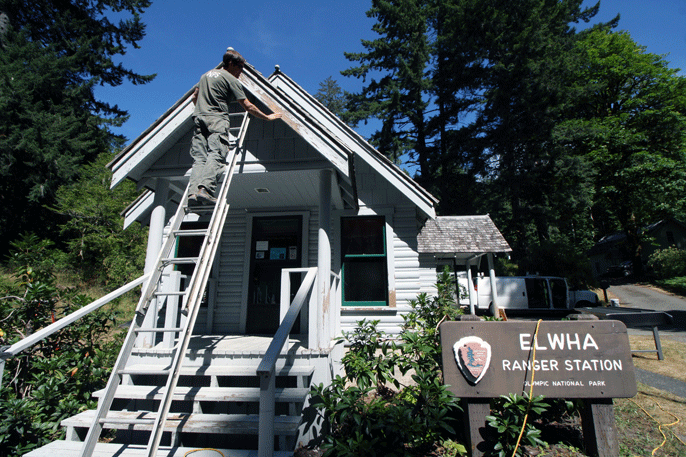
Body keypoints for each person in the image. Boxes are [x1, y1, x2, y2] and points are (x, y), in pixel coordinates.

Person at [188, 48, 282, 205]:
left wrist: (202, 110)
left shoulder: (205, 76)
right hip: (217, 119)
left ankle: (193, 194)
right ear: (230, 64)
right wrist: (266, 117)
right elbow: (247, 105)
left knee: (199, 159)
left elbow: (194, 96)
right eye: (240, 67)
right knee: (217, 153)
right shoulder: (230, 79)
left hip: (199, 119)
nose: (241, 71)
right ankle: (205, 190)